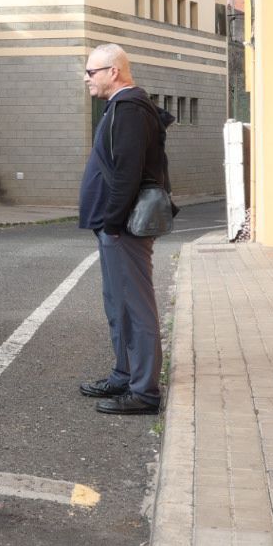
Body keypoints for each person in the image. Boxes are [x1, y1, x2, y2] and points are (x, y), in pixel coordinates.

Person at [77, 43, 175, 415]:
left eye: (92, 72)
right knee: (118, 304)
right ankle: (125, 374)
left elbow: (127, 171)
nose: (87, 79)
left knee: (135, 307)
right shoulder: (122, 107)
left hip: (124, 228)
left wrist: (113, 222)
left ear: (113, 72)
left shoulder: (129, 108)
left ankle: (144, 391)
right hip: (116, 226)